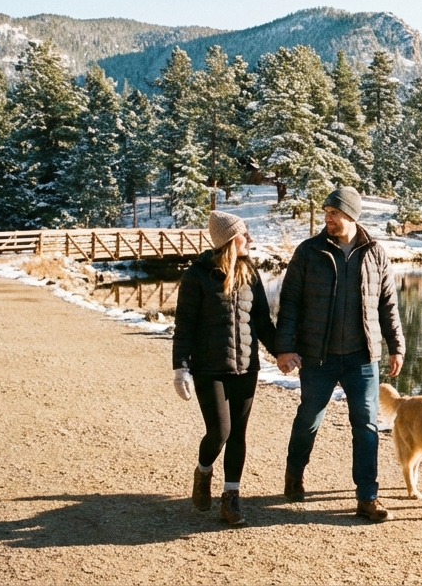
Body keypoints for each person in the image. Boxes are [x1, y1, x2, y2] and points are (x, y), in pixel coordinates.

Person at [275, 186, 405, 523]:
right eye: (326, 213)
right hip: (318, 357)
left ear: (350, 215)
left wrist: (396, 346)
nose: (327, 218)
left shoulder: (375, 253)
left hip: (362, 358)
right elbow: (289, 303)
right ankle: (294, 472)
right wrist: (285, 348)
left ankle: (367, 497)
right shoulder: (308, 252)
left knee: (366, 424)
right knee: (309, 418)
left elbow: (388, 305)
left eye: (333, 213)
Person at [171, 210, 276, 527]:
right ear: (231, 238)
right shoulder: (197, 275)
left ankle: (231, 498)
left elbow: (262, 323)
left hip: (246, 367)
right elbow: (184, 326)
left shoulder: (250, 273)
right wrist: (180, 368)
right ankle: (203, 472)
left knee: (238, 434)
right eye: (246, 233)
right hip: (209, 369)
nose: (251, 238)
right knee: (220, 431)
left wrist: (284, 354)